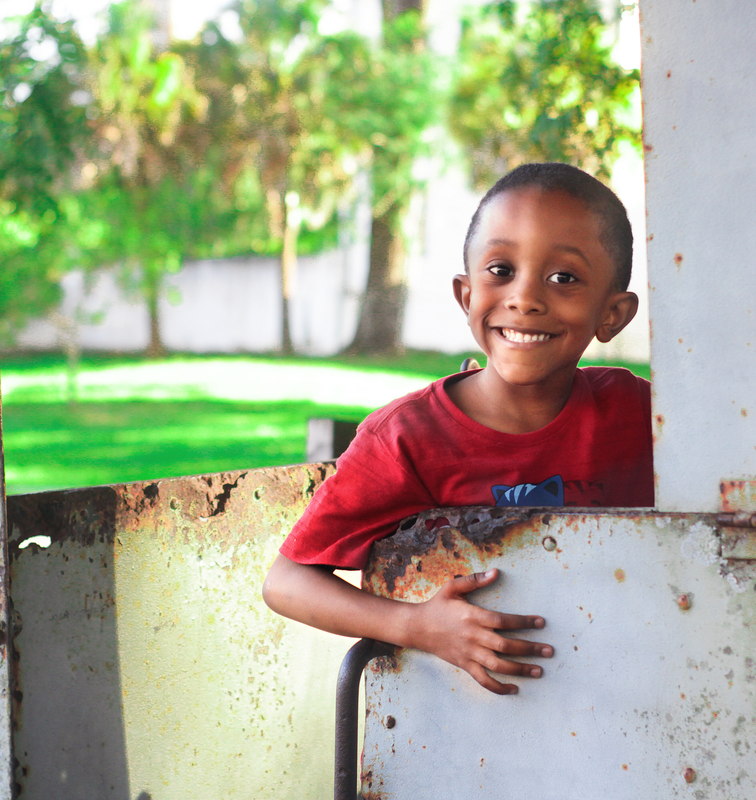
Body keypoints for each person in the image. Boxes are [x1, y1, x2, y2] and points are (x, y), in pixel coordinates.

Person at [262, 162, 653, 695]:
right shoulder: (407, 439)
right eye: (500, 270)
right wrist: (416, 626)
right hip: (463, 732)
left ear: (613, 314)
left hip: (628, 699)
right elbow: (287, 582)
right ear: (466, 295)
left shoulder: (635, 415)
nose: (525, 298)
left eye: (563, 278)